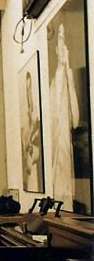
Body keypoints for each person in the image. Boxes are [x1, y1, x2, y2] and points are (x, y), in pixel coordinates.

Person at [49, 23, 80, 210]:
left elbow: (74, 120)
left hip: (64, 147)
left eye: (64, 42)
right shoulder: (54, 83)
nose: (63, 49)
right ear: (56, 49)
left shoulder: (67, 79)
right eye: (60, 42)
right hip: (57, 145)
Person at [20, 71, 43, 192]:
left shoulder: (38, 123)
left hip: (35, 174)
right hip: (28, 175)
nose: (29, 95)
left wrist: (32, 149)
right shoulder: (26, 125)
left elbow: (39, 152)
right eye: (27, 90)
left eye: (30, 90)